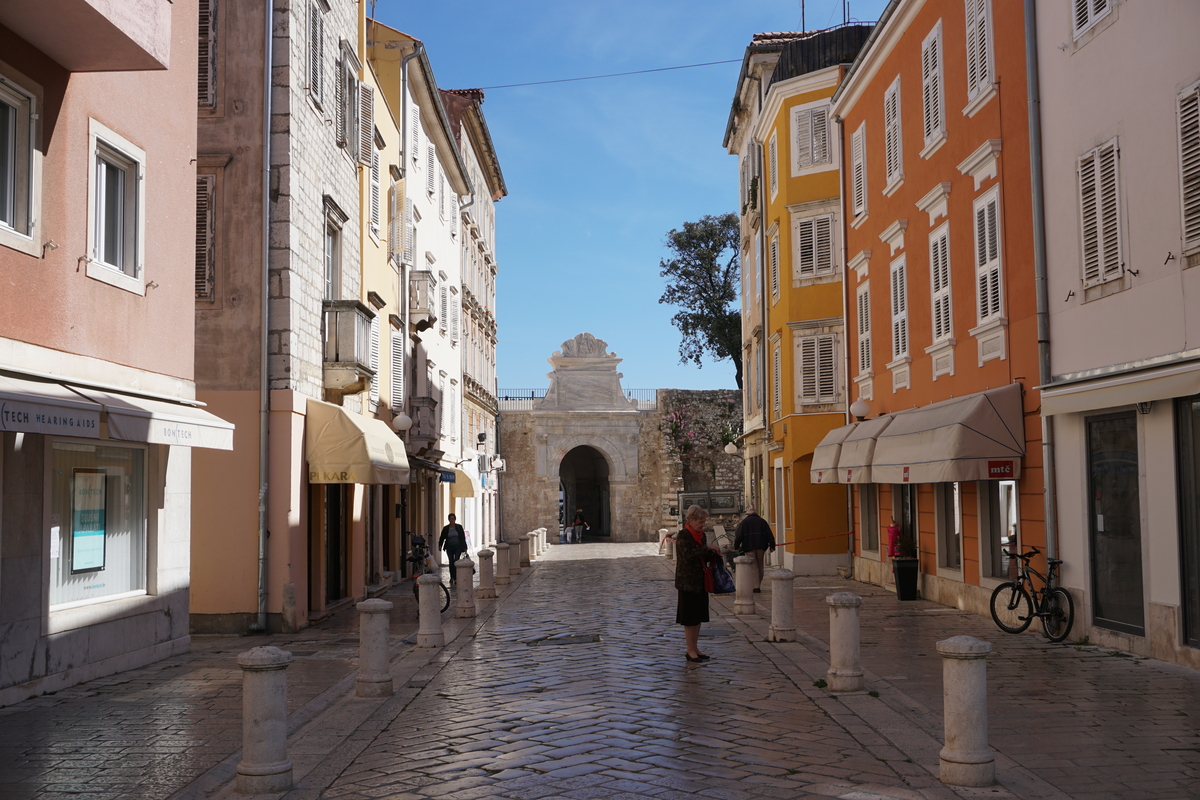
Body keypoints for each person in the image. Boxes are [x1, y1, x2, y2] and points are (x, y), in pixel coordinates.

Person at [674, 504, 718, 663]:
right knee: (689, 617)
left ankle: (695, 647)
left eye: (704, 521)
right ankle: (689, 649)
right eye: (700, 521)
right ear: (691, 520)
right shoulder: (683, 535)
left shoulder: (702, 535)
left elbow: (703, 556)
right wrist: (707, 548)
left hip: (701, 581)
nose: (702, 524)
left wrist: (712, 554)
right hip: (687, 582)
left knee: (698, 616)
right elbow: (688, 555)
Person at [734, 505, 775, 593]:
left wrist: (736, 546)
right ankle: (758, 584)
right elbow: (769, 534)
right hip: (761, 546)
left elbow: (739, 536)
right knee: (760, 565)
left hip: (749, 547)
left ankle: (755, 586)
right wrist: (772, 546)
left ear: (748, 514)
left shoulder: (745, 522)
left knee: (753, 566)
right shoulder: (762, 521)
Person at [438, 513, 467, 584]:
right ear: (448, 520)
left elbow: (463, 538)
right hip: (449, 547)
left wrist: (465, 547)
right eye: (450, 519)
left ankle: (456, 577)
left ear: (455, 519)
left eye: (453, 519)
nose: (452, 520)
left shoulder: (459, 527)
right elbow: (442, 537)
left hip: (458, 547)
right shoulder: (446, 528)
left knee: (456, 561)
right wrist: (440, 545)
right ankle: (452, 577)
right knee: (451, 562)